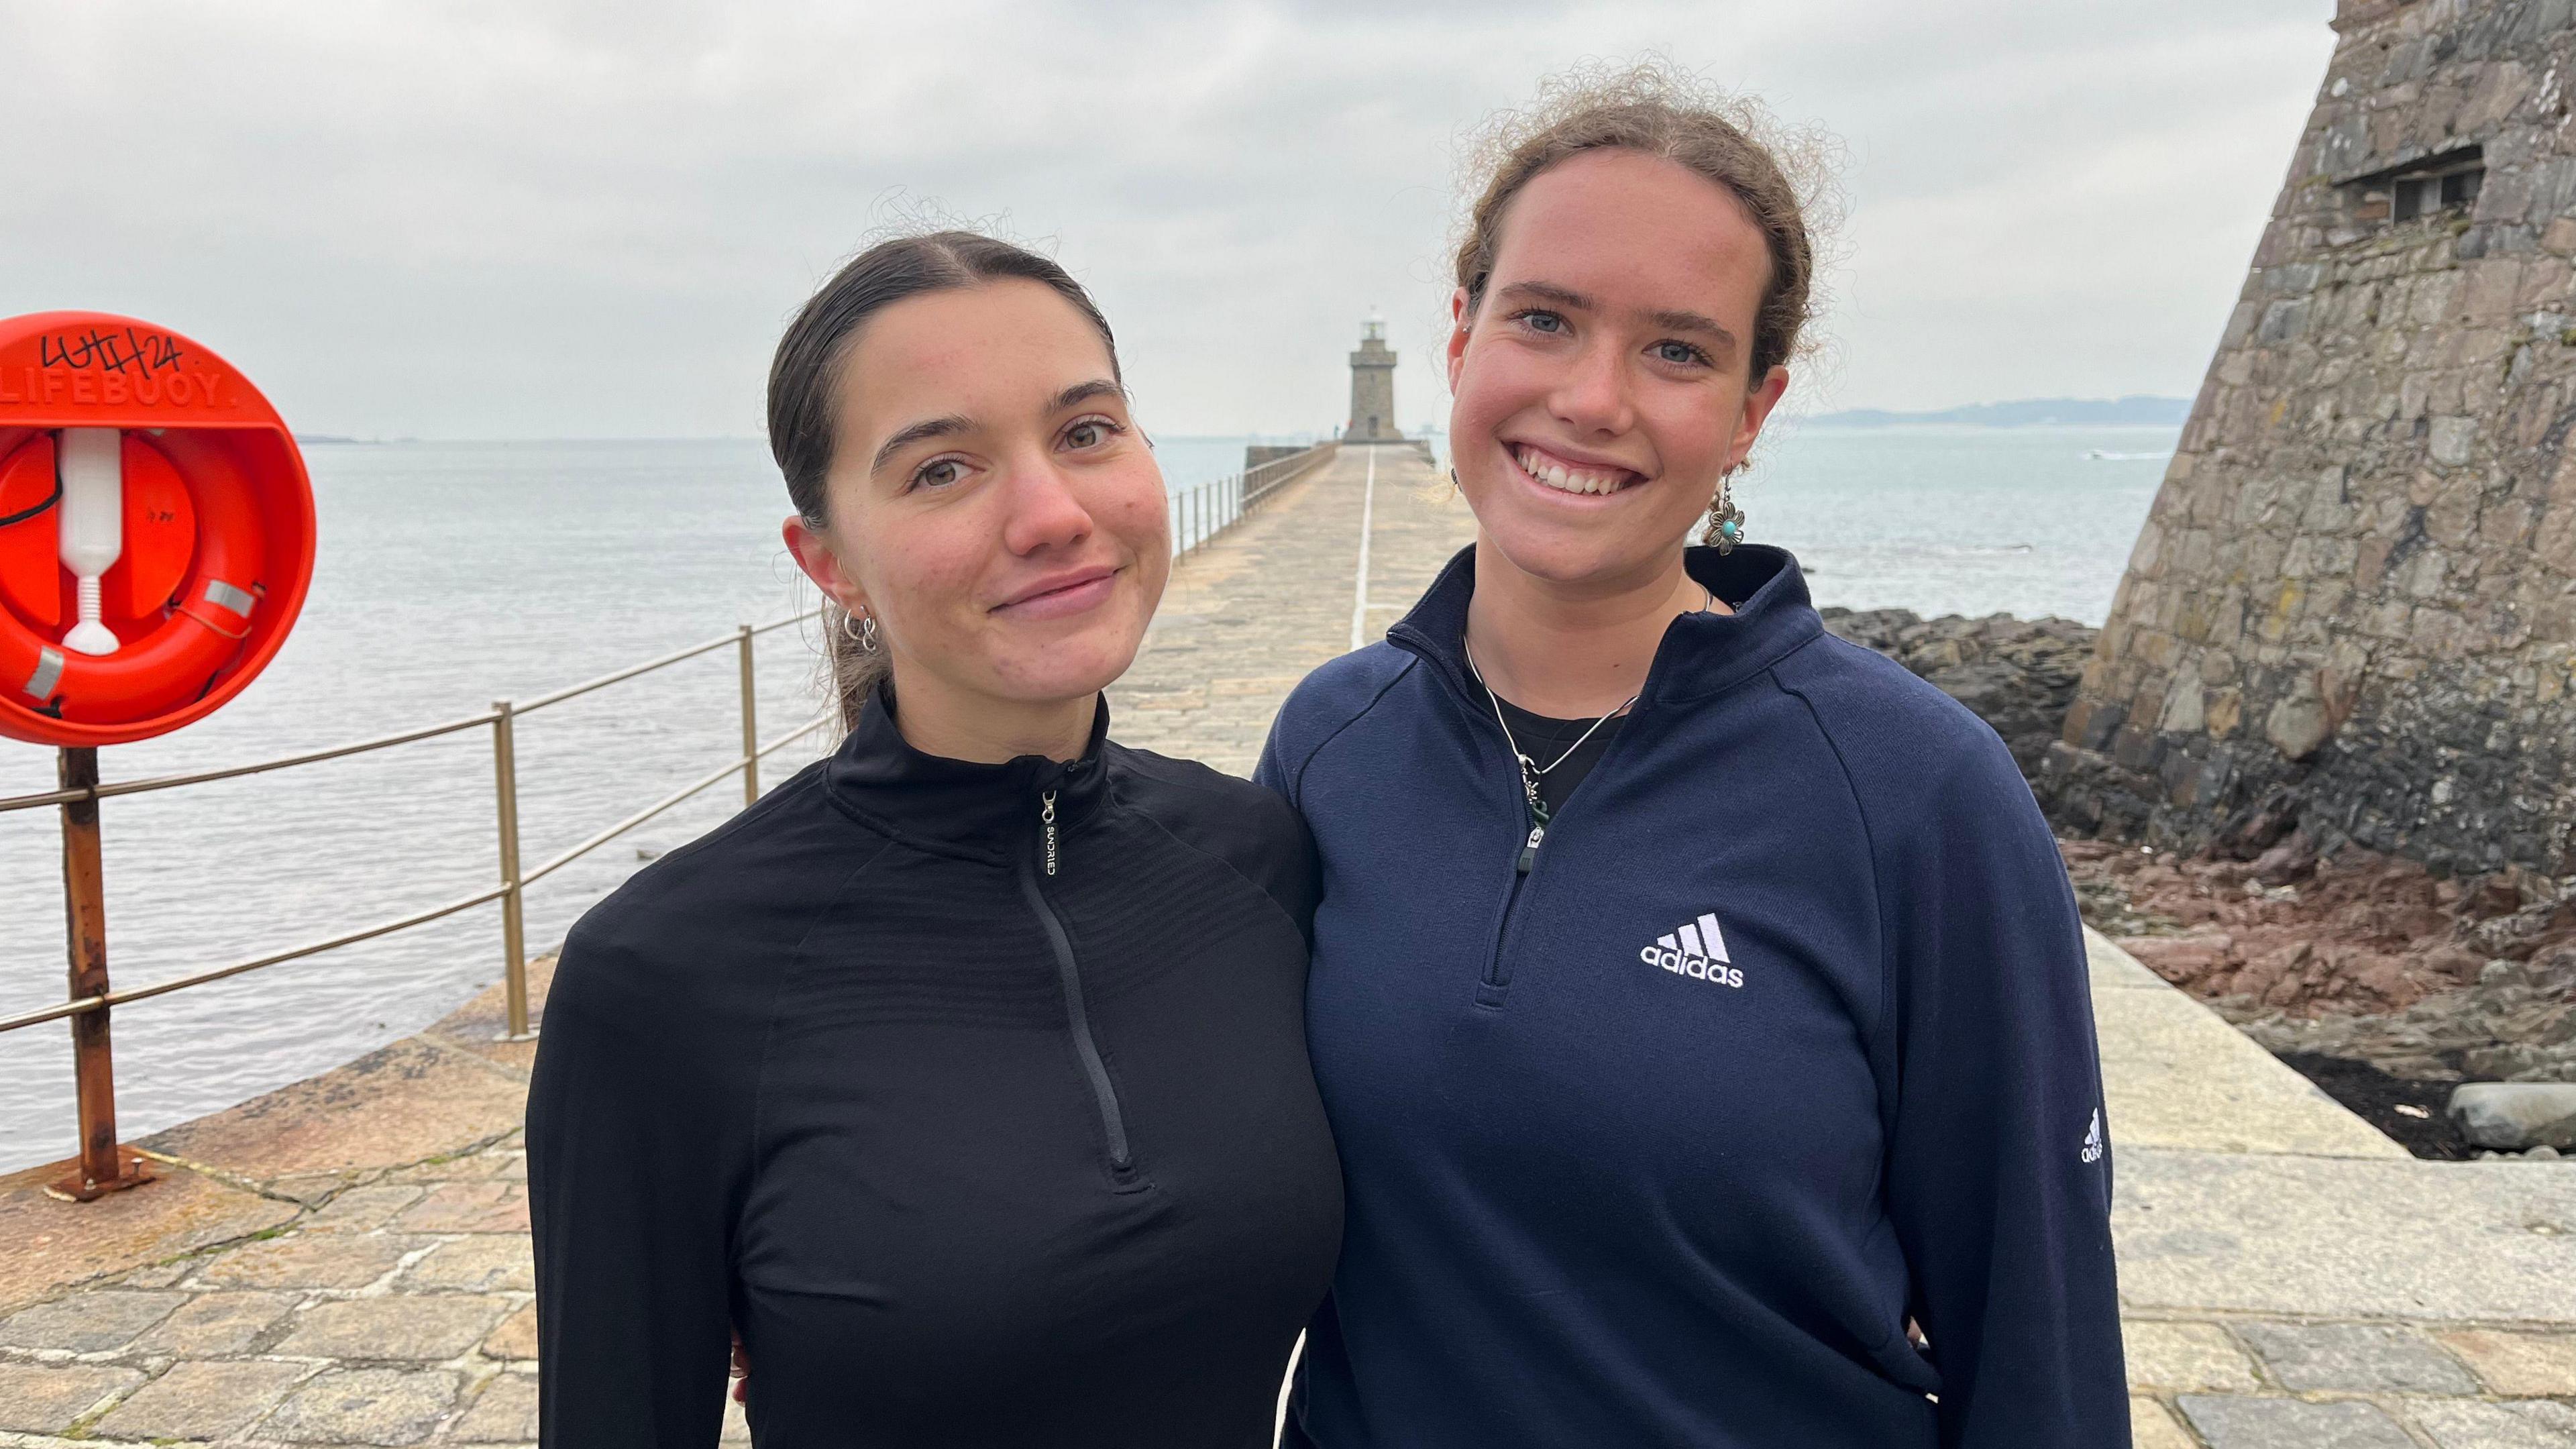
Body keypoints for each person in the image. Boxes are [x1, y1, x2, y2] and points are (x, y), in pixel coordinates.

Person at [1258, 66, 2127, 1447]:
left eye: (1676, 351)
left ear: (1750, 414)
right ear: (1459, 338)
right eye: (1544, 320)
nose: (1591, 398)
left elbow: (2040, 1337)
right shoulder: (1331, 744)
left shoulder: (1917, 795)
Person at [527, 231, 1342, 1448]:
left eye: (1085, 432)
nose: (1054, 515)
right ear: (830, 563)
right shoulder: (666, 979)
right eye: (943, 470)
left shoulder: (1260, 858)